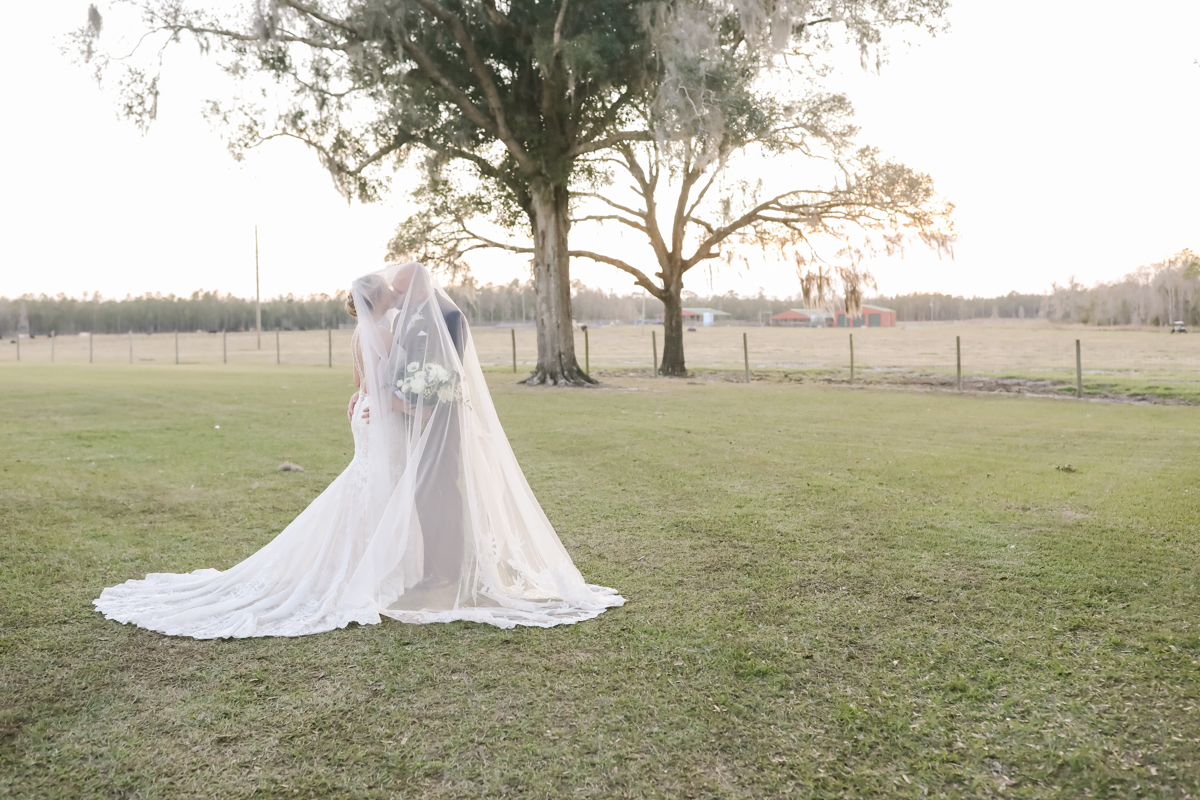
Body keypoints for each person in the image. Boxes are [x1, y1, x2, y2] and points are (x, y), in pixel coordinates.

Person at [94, 262, 624, 638]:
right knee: (391, 488)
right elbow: (380, 380)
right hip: (390, 417)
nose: (396, 293)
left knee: (401, 488)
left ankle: (425, 566)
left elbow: (389, 378)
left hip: (396, 418)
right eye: (391, 290)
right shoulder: (384, 329)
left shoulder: (407, 323)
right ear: (382, 298)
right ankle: (398, 567)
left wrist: (376, 397)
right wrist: (388, 400)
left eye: (400, 287)